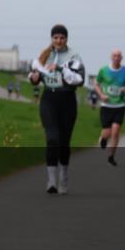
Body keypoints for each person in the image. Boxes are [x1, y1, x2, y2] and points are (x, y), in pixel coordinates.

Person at [29, 24, 86, 195]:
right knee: (52, 138)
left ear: (66, 39)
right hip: (49, 100)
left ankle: (64, 177)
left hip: (67, 99)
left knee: (64, 142)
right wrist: (35, 77)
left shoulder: (74, 56)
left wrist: (61, 68)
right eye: (55, 37)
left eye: (62, 37)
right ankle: (51, 181)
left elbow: (80, 79)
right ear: (51, 38)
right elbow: (33, 77)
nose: (59, 40)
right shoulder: (44, 55)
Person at [94, 49, 125, 166]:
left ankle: (111, 156)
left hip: (120, 105)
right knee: (107, 132)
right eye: (114, 55)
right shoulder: (103, 70)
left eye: (119, 56)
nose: (116, 57)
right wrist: (101, 95)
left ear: (122, 58)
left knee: (115, 131)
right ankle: (103, 138)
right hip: (106, 105)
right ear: (111, 57)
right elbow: (96, 84)